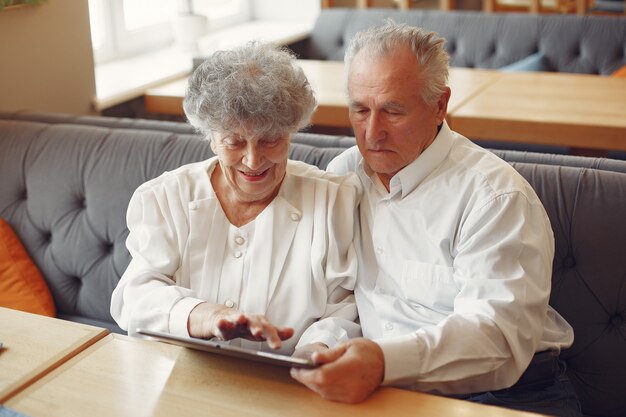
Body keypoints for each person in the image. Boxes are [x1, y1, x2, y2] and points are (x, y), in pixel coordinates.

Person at [290, 22, 582, 417]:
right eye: (360, 110)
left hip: (510, 395)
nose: (372, 133)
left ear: (440, 106)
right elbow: (342, 298)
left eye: (393, 111)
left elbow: (495, 341)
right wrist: (321, 346)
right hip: (388, 389)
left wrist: (382, 363)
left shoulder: (494, 196)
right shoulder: (345, 174)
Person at [110, 42, 361, 355]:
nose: (253, 161)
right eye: (235, 142)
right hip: (184, 379)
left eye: (270, 140)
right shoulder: (165, 198)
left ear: (291, 133)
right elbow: (135, 298)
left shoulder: (333, 202)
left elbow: (345, 310)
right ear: (211, 138)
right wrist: (206, 315)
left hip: (288, 386)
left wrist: (316, 350)